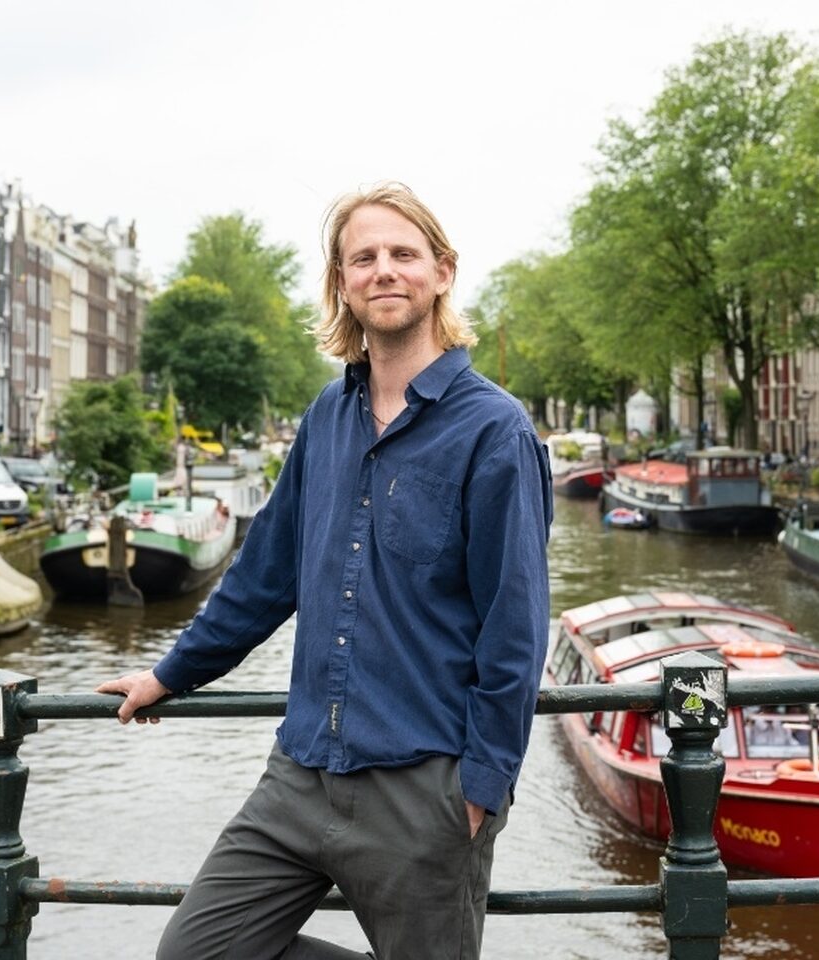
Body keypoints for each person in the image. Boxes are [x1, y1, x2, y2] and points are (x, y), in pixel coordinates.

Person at [98, 182, 553, 960]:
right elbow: (264, 575)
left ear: (442, 272)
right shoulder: (325, 417)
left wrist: (481, 787)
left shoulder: (494, 430)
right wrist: (171, 674)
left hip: (422, 787)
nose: (385, 270)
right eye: (363, 257)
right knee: (195, 953)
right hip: (301, 774)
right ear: (343, 281)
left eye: (404, 254)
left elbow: (515, 628)